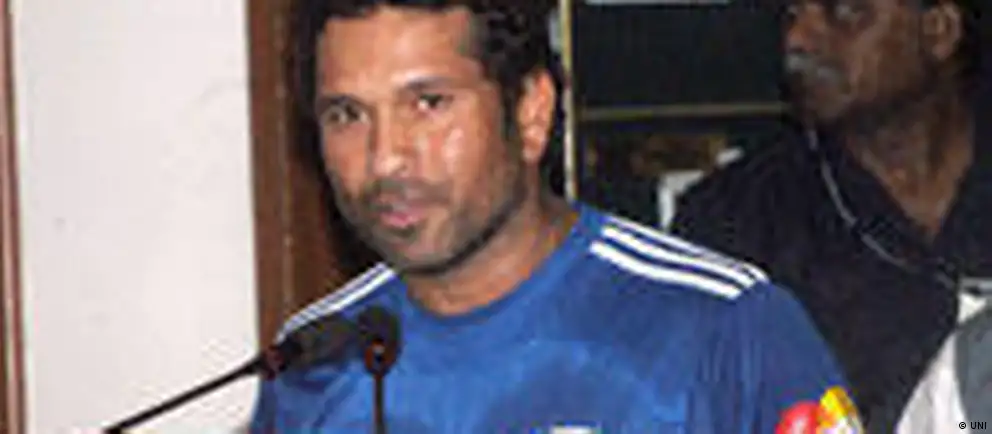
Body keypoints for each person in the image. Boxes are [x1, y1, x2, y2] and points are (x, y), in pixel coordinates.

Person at [249, 1, 860, 432]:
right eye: (346, 115)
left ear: (531, 111)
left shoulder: (723, 330)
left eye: (428, 104)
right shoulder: (313, 363)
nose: (385, 157)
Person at [671, 0, 988, 432]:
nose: (798, 40)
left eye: (844, 12)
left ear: (939, 30)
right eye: (791, 15)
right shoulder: (734, 222)